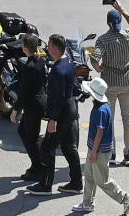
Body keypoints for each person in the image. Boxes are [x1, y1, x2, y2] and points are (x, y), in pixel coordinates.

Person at [33, 34, 83, 194]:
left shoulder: (57, 71)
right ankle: (76, 183)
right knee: (69, 147)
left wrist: (53, 119)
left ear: (55, 48)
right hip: (71, 108)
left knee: (47, 147)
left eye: (49, 45)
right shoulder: (68, 62)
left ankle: (45, 185)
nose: (47, 48)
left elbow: (59, 98)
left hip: (61, 113)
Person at [74, 76, 129, 213]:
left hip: (99, 150)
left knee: (102, 180)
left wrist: (93, 152)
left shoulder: (100, 110)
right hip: (95, 148)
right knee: (89, 176)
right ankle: (87, 202)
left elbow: (100, 132)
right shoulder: (104, 106)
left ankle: (124, 198)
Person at [95, 3, 129, 153]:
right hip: (126, 82)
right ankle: (128, 153)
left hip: (110, 84)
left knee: (110, 118)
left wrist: (98, 68)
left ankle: (111, 152)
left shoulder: (103, 40)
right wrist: (122, 9)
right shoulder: (128, 35)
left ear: (108, 23)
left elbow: (94, 58)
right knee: (127, 117)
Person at [10, 32, 49, 174]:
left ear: (25, 47)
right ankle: (37, 164)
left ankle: (38, 167)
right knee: (23, 131)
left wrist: (15, 110)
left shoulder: (29, 66)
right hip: (39, 101)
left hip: (33, 105)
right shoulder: (40, 60)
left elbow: (24, 91)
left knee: (32, 138)